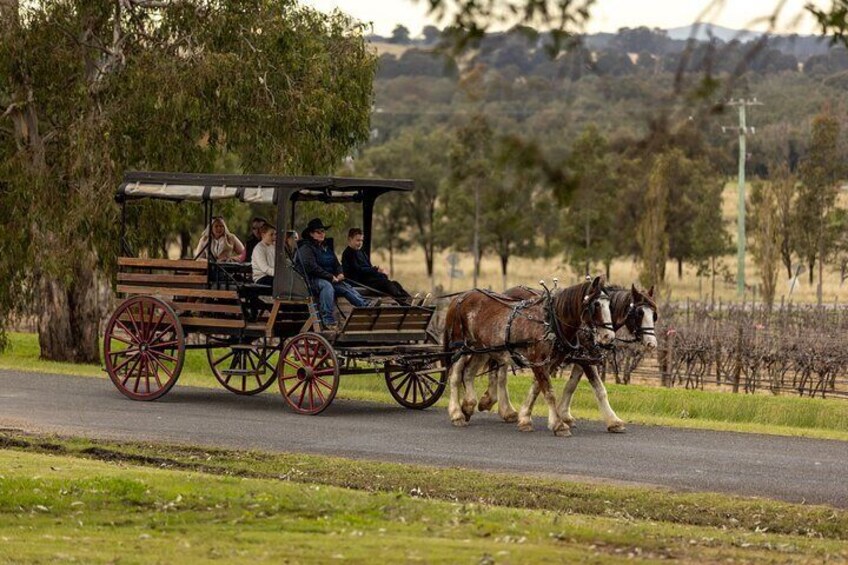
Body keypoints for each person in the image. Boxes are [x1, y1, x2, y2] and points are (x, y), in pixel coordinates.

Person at [295, 218, 368, 330]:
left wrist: (340, 273)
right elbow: (312, 267)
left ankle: (364, 305)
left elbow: (336, 263)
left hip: (329, 278)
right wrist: (330, 276)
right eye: (318, 232)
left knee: (344, 285)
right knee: (327, 286)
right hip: (311, 280)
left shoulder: (326, 247)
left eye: (323, 231)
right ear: (311, 234)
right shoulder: (305, 248)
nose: (322, 234)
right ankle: (328, 319)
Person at [342, 228, 411, 303]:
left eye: (361, 240)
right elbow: (358, 270)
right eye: (357, 240)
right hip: (359, 281)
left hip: (369, 279)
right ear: (350, 239)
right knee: (386, 284)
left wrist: (380, 273)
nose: (360, 243)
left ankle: (409, 300)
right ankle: (405, 302)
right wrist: (376, 269)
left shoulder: (362, 252)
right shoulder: (348, 254)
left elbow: (369, 267)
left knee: (395, 284)